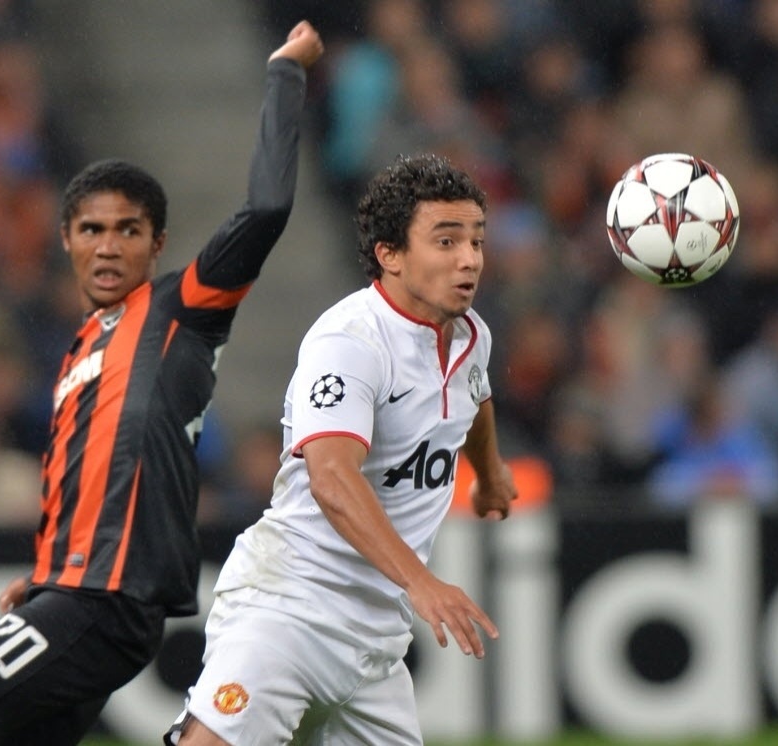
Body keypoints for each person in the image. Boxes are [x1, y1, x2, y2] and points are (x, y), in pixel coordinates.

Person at [0, 19, 324, 746]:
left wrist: (285, 73)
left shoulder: (179, 312)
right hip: (70, 593)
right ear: (66, 238)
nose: (108, 246)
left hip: (103, 603)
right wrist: (43, 578)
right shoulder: (78, 349)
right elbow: (88, 476)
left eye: (128, 230)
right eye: (92, 229)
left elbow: (266, 209)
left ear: (157, 244)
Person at [166, 153, 518, 746]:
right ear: (390, 254)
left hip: (373, 644)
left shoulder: (470, 335)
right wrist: (420, 583)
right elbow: (332, 479)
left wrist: (490, 472)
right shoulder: (350, 341)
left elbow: (475, 398)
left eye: (476, 241)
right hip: (290, 607)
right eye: (446, 240)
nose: (469, 259)